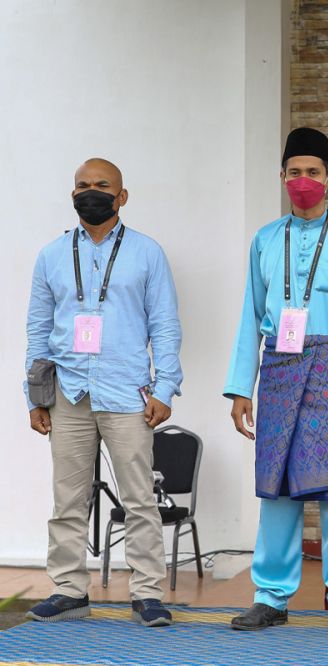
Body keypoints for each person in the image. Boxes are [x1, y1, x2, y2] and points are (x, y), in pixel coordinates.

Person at [224, 127, 328, 633]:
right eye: (294, 172)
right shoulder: (265, 240)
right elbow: (252, 314)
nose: (303, 181)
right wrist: (238, 387)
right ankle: (271, 596)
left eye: (312, 172)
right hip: (277, 370)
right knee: (275, 490)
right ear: (281, 178)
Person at [24, 158, 182, 627]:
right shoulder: (51, 255)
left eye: (102, 186)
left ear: (122, 196)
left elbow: (166, 326)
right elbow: (37, 331)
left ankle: (147, 593)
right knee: (67, 500)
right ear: (72, 194)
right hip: (68, 393)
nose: (91, 192)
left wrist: (166, 387)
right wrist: (34, 395)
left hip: (127, 392)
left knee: (139, 498)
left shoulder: (147, 253)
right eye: (82, 186)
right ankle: (69, 589)